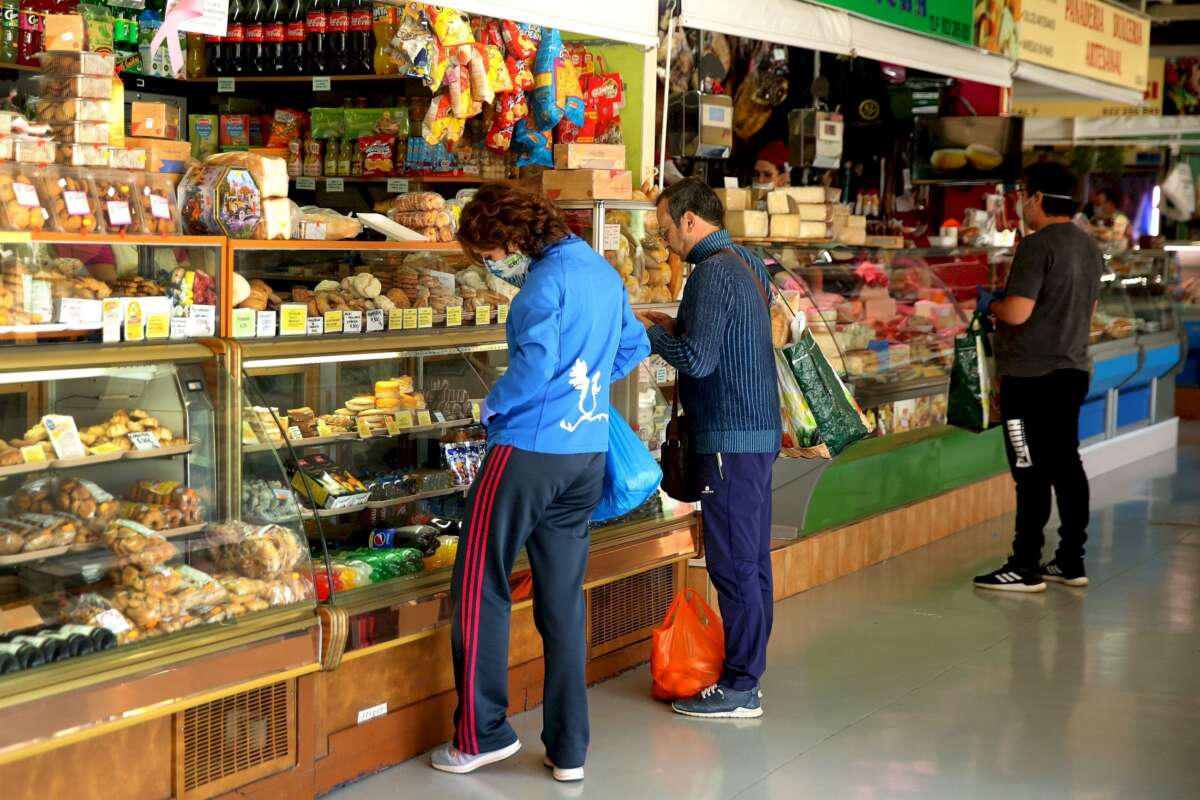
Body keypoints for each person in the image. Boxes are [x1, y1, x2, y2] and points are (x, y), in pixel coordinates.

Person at [430, 184, 650, 781]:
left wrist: (491, 409)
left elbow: (530, 369)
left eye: (486, 254)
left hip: (527, 450)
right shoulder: (601, 272)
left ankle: (482, 735)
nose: (489, 266)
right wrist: (587, 386)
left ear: (510, 239)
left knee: (481, 584)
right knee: (561, 600)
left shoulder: (540, 287)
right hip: (586, 454)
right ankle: (568, 749)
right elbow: (635, 343)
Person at [637, 177, 781, 718]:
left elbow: (697, 361)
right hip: (756, 435)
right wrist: (677, 326)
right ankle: (748, 672)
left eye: (666, 227)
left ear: (691, 221)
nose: (664, 237)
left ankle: (742, 686)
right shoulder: (745, 262)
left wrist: (652, 335)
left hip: (729, 438)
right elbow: (725, 340)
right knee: (752, 561)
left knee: (732, 564)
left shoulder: (710, 274)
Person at [973, 161, 1103, 593]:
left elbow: (1018, 311)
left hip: (1029, 377)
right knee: (1067, 464)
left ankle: (1025, 564)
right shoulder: (1089, 247)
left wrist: (991, 304)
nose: (1022, 203)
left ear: (1039, 198)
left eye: (1024, 194)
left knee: (1028, 469)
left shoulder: (1037, 245)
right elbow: (1091, 314)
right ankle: (1070, 559)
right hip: (1072, 370)